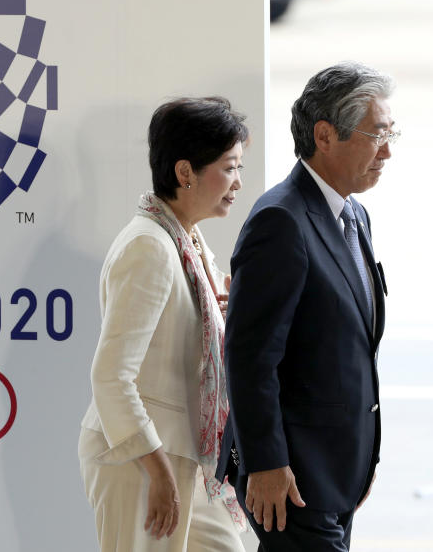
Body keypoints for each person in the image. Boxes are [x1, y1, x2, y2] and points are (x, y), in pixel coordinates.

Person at [216, 62, 396, 551]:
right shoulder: (281, 221)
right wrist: (268, 464)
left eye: (391, 133)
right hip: (292, 479)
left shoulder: (354, 214)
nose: (388, 149)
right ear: (325, 135)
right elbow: (251, 357)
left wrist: (361, 460)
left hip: (337, 472)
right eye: (377, 134)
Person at [79, 97, 251, 551]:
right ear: (184, 172)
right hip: (140, 458)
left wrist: (227, 317)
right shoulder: (150, 247)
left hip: (188, 458)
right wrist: (156, 471)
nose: (238, 182)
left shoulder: (185, 240)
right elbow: (111, 377)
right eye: (230, 167)